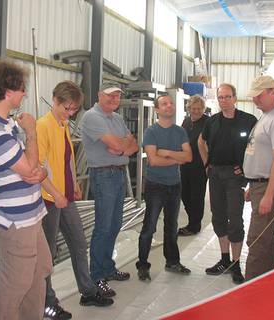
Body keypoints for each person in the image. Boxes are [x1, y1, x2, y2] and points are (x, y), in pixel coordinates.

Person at [0, 59, 52, 320]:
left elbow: (34, 169)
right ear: (8, 92)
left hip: (31, 215)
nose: (25, 94)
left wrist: (38, 171)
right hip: (16, 220)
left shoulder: (7, 124)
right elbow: (31, 169)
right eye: (22, 89)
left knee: (40, 270)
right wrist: (31, 132)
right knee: (16, 283)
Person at [38, 81, 114, 319]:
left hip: (65, 197)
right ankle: (47, 303)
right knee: (47, 254)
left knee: (79, 243)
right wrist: (56, 194)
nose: (70, 113)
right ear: (55, 100)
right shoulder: (43, 126)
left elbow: (67, 158)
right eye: (67, 108)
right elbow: (38, 168)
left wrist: (74, 183)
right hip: (49, 198)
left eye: (73, 110)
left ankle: (87, 290)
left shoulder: (62, 125)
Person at [80, 82, 138, 296]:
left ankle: (108, 268)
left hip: (118, 173)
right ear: (99, 95)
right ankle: (97, 276)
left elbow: (132, 144)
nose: (114, 100)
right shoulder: (92, 117)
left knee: (115, 225)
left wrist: (122, 148)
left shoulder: (118, 118)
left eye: (117, 97)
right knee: (103, 227)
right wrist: (123, 146)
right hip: (103, 175)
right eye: (110, 96)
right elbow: (120, 144)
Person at [199, 83, 257, 284]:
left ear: (235, 97)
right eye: (220, 97)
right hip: (215, 174)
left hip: (235, 177)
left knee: (235, 219)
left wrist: (246, 167)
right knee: (218, 217)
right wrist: (207, 163)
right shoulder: (212, 122)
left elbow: (256, 147)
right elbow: (201, 141)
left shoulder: (249, 121)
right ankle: (224, 259)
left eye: (227, 96)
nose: (223, 100)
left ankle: (235, 263)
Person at [136, 95, 193, 281]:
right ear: (157, 110)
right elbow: (153, 160)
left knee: (172, 226)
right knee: (149, 227)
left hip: (175, 185)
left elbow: (189, 157)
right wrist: (177, 157)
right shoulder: (151, 132)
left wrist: (167, 153)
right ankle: (143, 265)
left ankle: (173, 261)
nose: (169, 106)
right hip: (155, 186)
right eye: (164, 104)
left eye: (171, 103)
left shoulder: (180, 132)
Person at [243, 75, 274, 280]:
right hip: (259, 185)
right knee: (265, 238)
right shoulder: (266, 117)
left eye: (259, 96)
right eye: (254, 96)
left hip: (267, 186)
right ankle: (266, 280)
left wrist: (269, 194)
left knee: (256, 238)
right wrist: (253, 186)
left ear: (273, 92)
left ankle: (250, 285)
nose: (255, 100)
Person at [178, 95, 209, 236]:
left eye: (199, 109)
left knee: (196, 196)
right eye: (193, 108)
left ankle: (194, 225)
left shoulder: (208, 122)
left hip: (200, 166)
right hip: (185, 164)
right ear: (189, 108)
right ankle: (193, 221)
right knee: (184, 194)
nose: (196, 111)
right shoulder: (186, 121)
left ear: (203, 109)